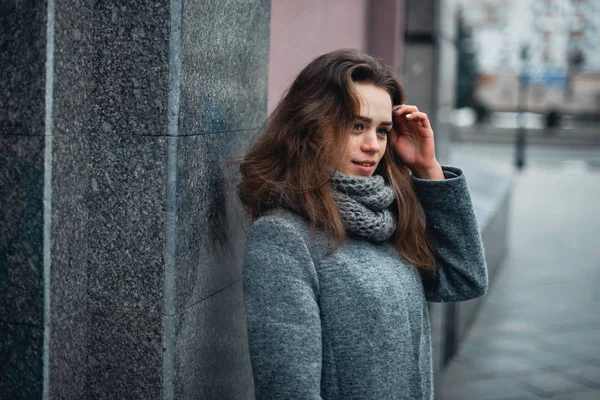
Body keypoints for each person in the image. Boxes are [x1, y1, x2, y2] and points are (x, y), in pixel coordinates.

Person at [237, 49, 488, 399]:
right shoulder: (283, 238)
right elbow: (290, 391)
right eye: (356, 126)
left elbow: (465, 279)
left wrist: (428, 169)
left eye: (383, 130)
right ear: (312, 125)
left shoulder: (386, 218)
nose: (373, 145)